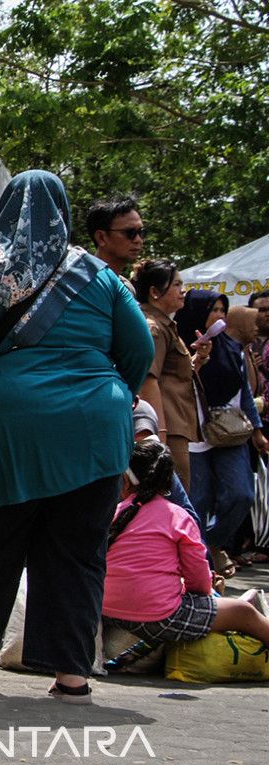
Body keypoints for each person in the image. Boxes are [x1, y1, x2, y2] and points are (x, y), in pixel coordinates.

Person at [0, 170, 154, 704]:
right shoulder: (99, 275)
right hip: (93, 433)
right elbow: (139, 350)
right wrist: (109, 392)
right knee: (76, 553)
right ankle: (71, 678)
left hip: (4, 433)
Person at [103, 439, 269, 650]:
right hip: (160, 617)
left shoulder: (114, 514)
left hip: (106, 610)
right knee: (243, 612)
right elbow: (198, 581)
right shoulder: (178, 517)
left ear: (125, 481)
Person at [177, 289, 269, 577]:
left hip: (230, 433)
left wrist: (257, 430)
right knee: (198, 501)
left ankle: (212, 544)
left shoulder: (231, 348)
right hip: (194, 436)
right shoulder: (179, 346)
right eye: (213, 310)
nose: (219, 316)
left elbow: (243, 393)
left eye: (221, 310)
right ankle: (200, 566)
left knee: (240, 494)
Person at [132, 258, 203, 489]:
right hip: (168, 430)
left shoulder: (164, 325)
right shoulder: (153, 327)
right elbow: (149, 380)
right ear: (154, 291)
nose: (183, 291)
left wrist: (198, 360)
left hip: (174, 426)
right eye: (176, 285)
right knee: (173, 501)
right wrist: (159, 436)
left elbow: (173, 376)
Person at [86, 195, 144, 287]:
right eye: (130, 233)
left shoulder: (126, 287)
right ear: (101, 237)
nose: (138, 240)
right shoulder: (81, 283)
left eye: (140, 232)